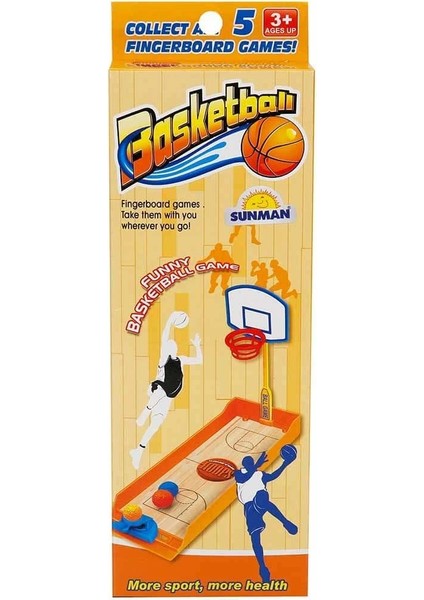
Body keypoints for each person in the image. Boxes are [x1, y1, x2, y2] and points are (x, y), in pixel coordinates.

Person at [130, 312, 202, 470]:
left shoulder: (180, 359)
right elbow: (164, 337)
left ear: (175, 348)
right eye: (169, 345)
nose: (171, 346)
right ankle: (145, 413)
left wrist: (197, 346)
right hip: (156, 389)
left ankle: (138, 451)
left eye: (173, 345)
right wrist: (170, 321)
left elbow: (199, 360)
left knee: (155, 425)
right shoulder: (164, 359)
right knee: (161, 390)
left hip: (167, 397)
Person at [235, 451, 298, 583]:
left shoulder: (260, 474)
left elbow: (273, 475)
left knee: (262, 495)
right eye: (248, 462)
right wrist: (256, 466)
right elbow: (243, 479)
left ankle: (285, 522)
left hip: (259, 501)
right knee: (255, 540)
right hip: (250, 508)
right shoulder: (239, 473)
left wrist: (285, 463)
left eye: (251, 462)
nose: (249, 463)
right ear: (244, 465)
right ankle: (263, 567)